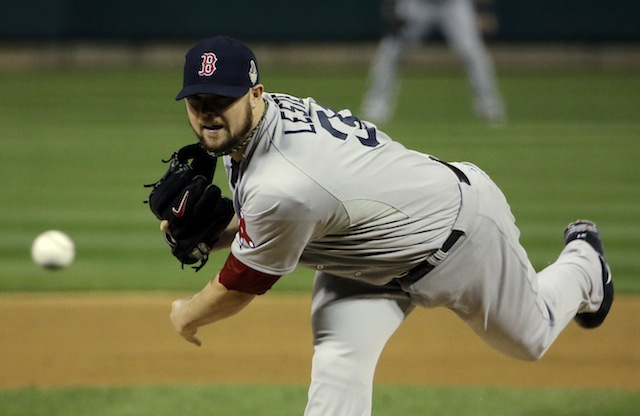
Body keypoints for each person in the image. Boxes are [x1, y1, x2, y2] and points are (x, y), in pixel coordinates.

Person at [164, 36, 613, 416]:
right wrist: (218, 233)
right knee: (339, 365)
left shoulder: (285, 183)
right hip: (364, 262)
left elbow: (241, 284)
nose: (207, 114)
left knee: (530, 339)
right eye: (198, 101)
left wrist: (185, 315)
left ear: (256, 94)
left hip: (459, 236)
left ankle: (585, 261)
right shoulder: (257, 131)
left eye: (222, 99)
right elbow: (285, 222)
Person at [361, 0, 506, 124]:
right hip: (416, 4)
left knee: (472, 52)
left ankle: (489, 105)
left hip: (453, 4)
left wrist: (484, 10)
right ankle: (376, 105)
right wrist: (393, 8)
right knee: (392, 50)